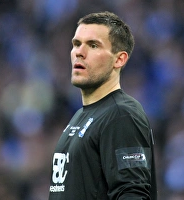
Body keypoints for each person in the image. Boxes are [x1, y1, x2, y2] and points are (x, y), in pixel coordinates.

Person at [48, 11, 157, 199]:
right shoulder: (80, 116)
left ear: (119, 59)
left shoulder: (121, 114)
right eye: (76, 44)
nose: (79, 52)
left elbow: (131, 193)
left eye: (93, 45)